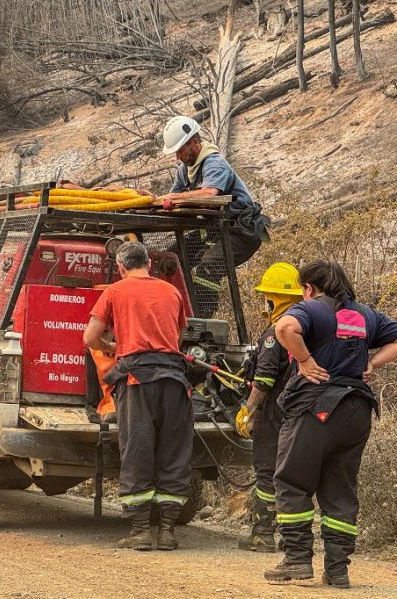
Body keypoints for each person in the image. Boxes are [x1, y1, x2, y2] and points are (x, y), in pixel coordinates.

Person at [264, 260, 397, 588]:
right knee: (340, 491)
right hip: (357, 411)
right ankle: (337, 569)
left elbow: (285, 329)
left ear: (308, 288)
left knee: (292, 482)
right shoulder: (365, 314)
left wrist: (304, 360)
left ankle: (297, 560)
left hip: (316, 408)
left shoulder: (313, 309)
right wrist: (372, 362)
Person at [82, 241, 191, 552]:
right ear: (149, 264)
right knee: (173, 452)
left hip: (136, 380)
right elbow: (178, 337)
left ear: (120, 267)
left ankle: (140, 531)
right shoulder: (172, 292)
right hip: (174, 380)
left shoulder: (115, 291)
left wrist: (113, 348)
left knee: (138, 449)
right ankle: (168, 532)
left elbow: (89, 337)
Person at [158, 115, 270, 317]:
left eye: (181, 151)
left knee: (209, 265)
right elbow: (170, 197)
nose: (178, 157)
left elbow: (210, 194)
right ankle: (174, 312)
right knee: (171, 259)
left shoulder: (214, 164)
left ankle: (203, 317)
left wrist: (174, 197)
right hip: (215, 232)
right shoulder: (185, 171)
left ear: (194, 142)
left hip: (241, 233)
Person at [234, 262, 303, 552]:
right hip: (300, 412)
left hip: (274, 413)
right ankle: (293, 538)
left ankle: (263, 534)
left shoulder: (276, 332)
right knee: (294, 474)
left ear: (273, 298)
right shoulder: (304, 328)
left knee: (267, 472)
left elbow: (263, 380)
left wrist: (248, 410)